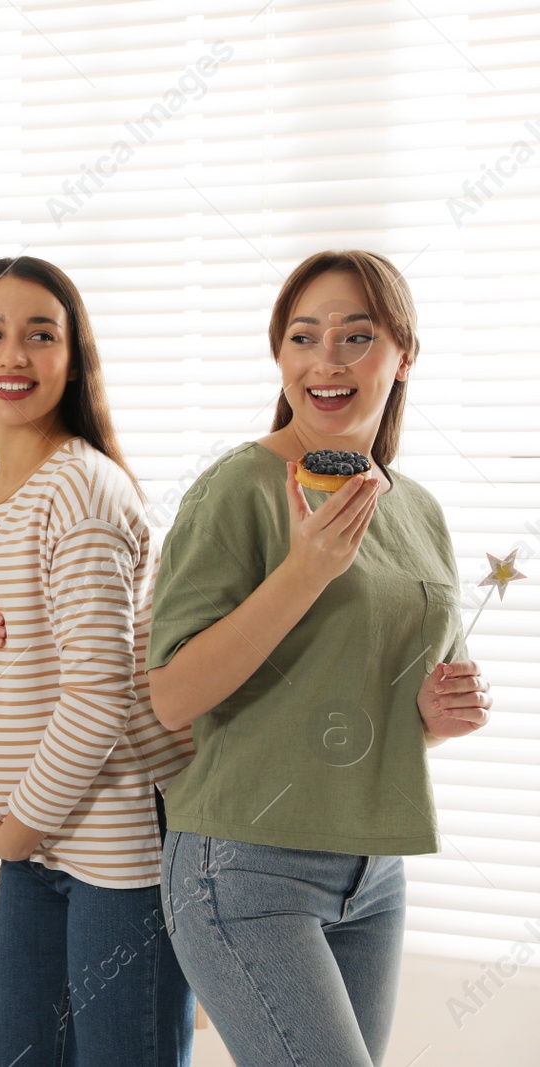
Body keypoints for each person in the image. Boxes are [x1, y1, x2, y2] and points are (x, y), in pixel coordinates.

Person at [147, 250, 490, 1067]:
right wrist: (304, 572)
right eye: (303, 337)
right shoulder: (239, 487)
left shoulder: (418, 509)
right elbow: (172, 694)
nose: (325, 361)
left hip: (374, 872)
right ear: (280, 357)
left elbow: (381, 705)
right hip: (246, 867)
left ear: (403, 355)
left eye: (355, 337)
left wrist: (439, 718)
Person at [0, 256, 196, 1066]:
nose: (12, 355)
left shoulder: (81, 492)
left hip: (111, 842)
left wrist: (14, 830)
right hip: (30, 835)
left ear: (73, 360)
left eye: (39, 335)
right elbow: (7, 669)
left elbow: (98, 697)